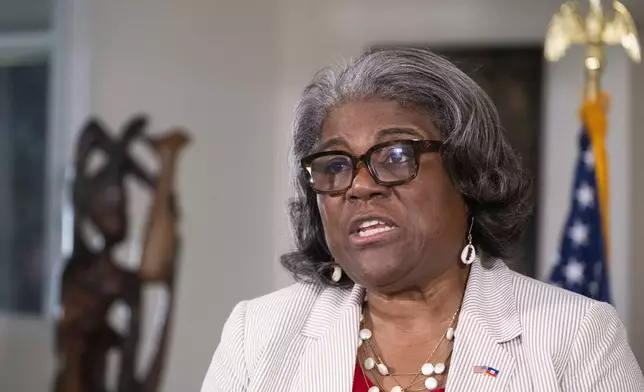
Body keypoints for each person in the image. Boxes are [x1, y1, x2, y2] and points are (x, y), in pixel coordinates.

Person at [201, 47, 644, 392]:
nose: (358, 185)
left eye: (396, 155)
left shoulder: (575, 334)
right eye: (334, 164)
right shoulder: (258, 334)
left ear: (468, 175)